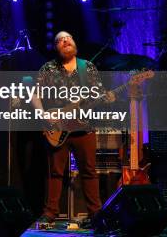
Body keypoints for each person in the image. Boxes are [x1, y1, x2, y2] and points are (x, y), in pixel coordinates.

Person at [31, 31, 114, 230]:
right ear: (56, 47)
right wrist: (44, 114)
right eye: (60, 40)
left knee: (89, 172)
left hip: (84, 129)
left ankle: (96, 215)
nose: (65, 40)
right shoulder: (48, 68)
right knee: (55, 173)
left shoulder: (88, 67)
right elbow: (34, 94)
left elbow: (98, 95)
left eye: (68, 37)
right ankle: (49, 215)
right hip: (57, 129)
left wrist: (108, 97)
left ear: (74, 43)